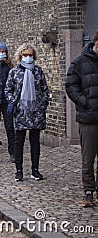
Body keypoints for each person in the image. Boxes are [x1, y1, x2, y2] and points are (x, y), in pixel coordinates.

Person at [5, 43, 49, 182]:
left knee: (35, 141)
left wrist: (42, 105)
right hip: (21, 111)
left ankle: (35, 170)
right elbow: (8, 90)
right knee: (19, 141)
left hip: (36, 112)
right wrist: (15, 102)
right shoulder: (15, 72)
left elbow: (44, 90)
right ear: (20, 56)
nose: (28, 57)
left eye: (30, 55)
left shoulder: (38, 71)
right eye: (25, 55)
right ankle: (19, 170)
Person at [65, 30, 98, 207]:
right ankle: (88, 192)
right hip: (88, 118)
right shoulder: (79, 62)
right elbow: (70, 84)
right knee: (88, 158)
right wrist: (84, 102)